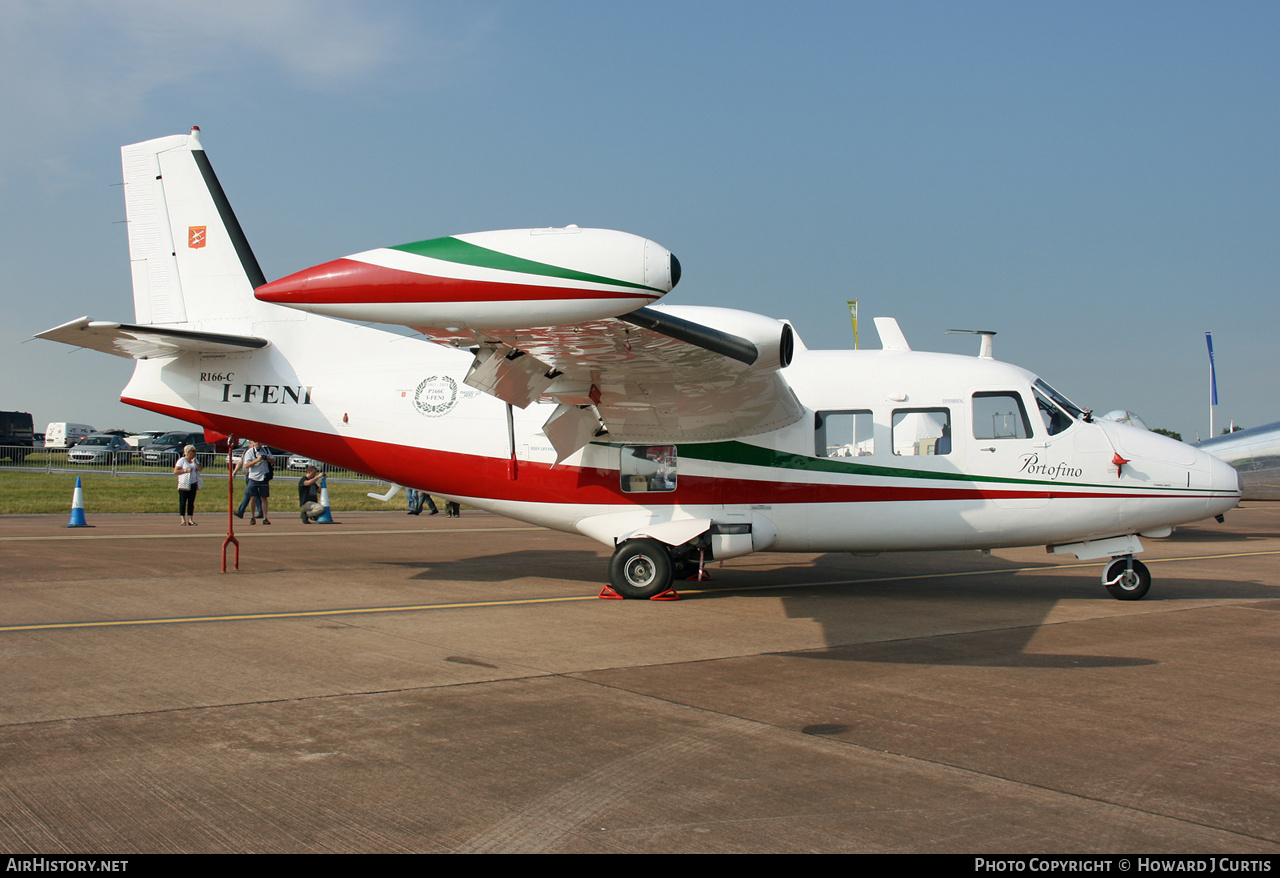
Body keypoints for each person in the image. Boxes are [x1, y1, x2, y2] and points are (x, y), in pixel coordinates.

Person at [233, 440, 273, 524]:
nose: (258, 444)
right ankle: (252, 517)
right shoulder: (249, 452)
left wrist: (268, 459)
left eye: (259, 442)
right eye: (256, 442)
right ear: (253, 444)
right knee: (252, 497)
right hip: (253, 478)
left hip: (264, 477)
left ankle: (265, 517)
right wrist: (257, 460)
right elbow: (246, 465)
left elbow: (273, 461)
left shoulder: (266, 450)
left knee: (264, 498)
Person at [174, 445, 203, 526]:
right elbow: (175, 471)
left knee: (191, 502)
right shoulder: (182, 460)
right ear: (187, 452)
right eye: (193, 451)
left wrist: (195, 463)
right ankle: (182, 519)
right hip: (184, 483)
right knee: (183, 502)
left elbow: (200, 469)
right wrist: (185, 470)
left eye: (194, 451)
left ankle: (190, 519)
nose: (194, 453)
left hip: (193, 483)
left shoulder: (195, 460)